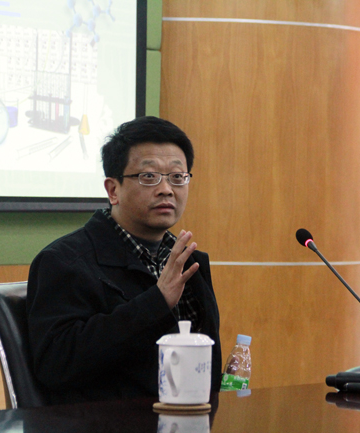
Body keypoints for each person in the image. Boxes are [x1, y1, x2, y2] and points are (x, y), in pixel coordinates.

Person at [26, 116, 221, 405]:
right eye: (149, 177)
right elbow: (56, 364)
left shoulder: (189, 261)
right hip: (109, 421)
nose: (166, 189)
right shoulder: (63, 261)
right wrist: (156, 302)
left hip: (189, 418)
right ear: (113, 190)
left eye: (177, 177)